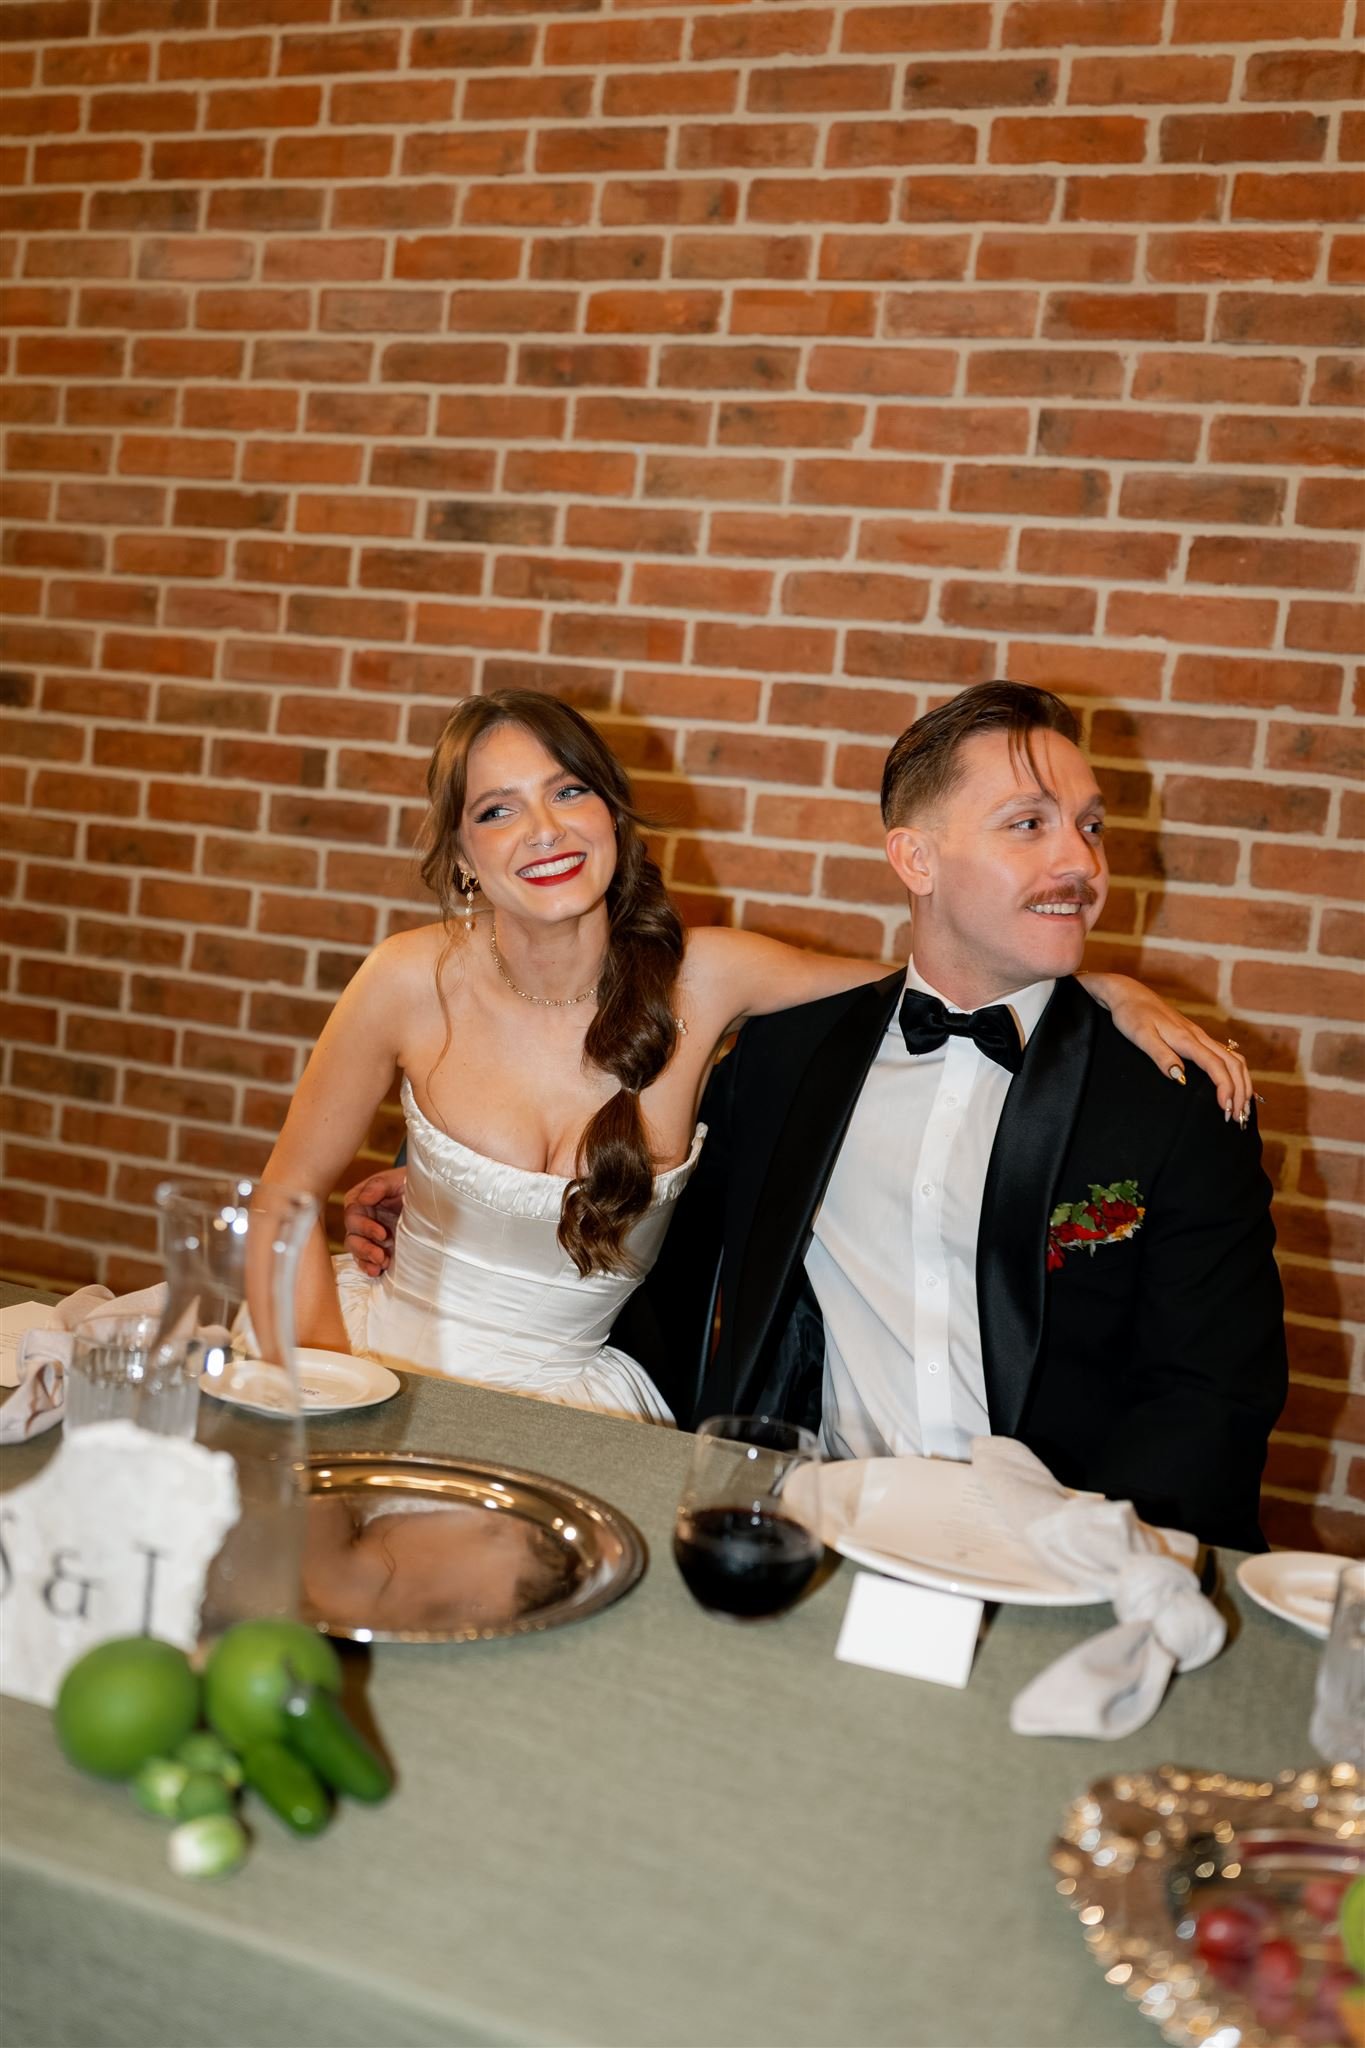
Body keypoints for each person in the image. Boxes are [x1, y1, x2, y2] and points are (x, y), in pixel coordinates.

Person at [288, 687, 1248, 1429]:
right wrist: (455, 1199)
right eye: (497, 810)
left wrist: (1094, 989)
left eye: (570, 790)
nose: (544, 829)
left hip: (580, 1410)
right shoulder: (412, 977)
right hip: (380, 1363)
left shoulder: (710, 982)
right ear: (460, 853)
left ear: (614, 817)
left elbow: (917, 974)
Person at [631, 683, 1287, 1550]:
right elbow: (661, 1277)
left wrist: (1084, 1570)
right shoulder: (784, 1062)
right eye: (1028, 825)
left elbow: (1213, 1396)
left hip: (1072, 1558)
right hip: (827, 1536)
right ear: (915, 860)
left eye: (1089, 827)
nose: (1081, 865)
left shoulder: (1172, 1096)